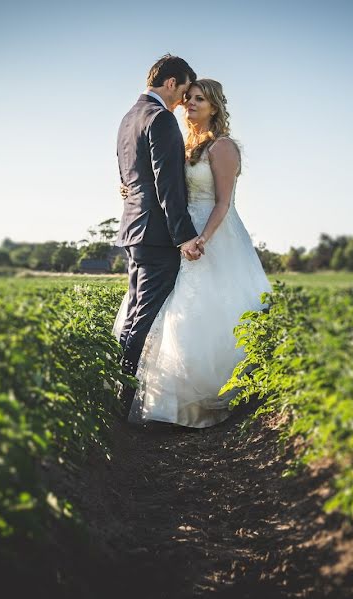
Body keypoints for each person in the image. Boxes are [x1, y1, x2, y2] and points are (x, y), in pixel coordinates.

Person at [113, 78, 272, 428]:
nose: (191, 105)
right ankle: (167, 403)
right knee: (171, 313)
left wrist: (202, 238)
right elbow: (163, 183)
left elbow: (225, 202)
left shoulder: (224, 147)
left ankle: (210, 400)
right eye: (188, 99)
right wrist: (131, 186)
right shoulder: (186, 146)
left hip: (211, 235)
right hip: (181, 235)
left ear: (215, 106)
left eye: (200, 99)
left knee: (207, 311)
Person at [114, 55, 205, 422]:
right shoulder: (161, 119)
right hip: (156, 235)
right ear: (170, 83)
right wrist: (183, 236)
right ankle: (121, 400)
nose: (184, 100)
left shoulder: (128, 118)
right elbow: (168, 184)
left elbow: (126, 177)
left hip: (134, 230)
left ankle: (112, 385)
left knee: (135, 312)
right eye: (184, 90)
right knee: (145, 317)